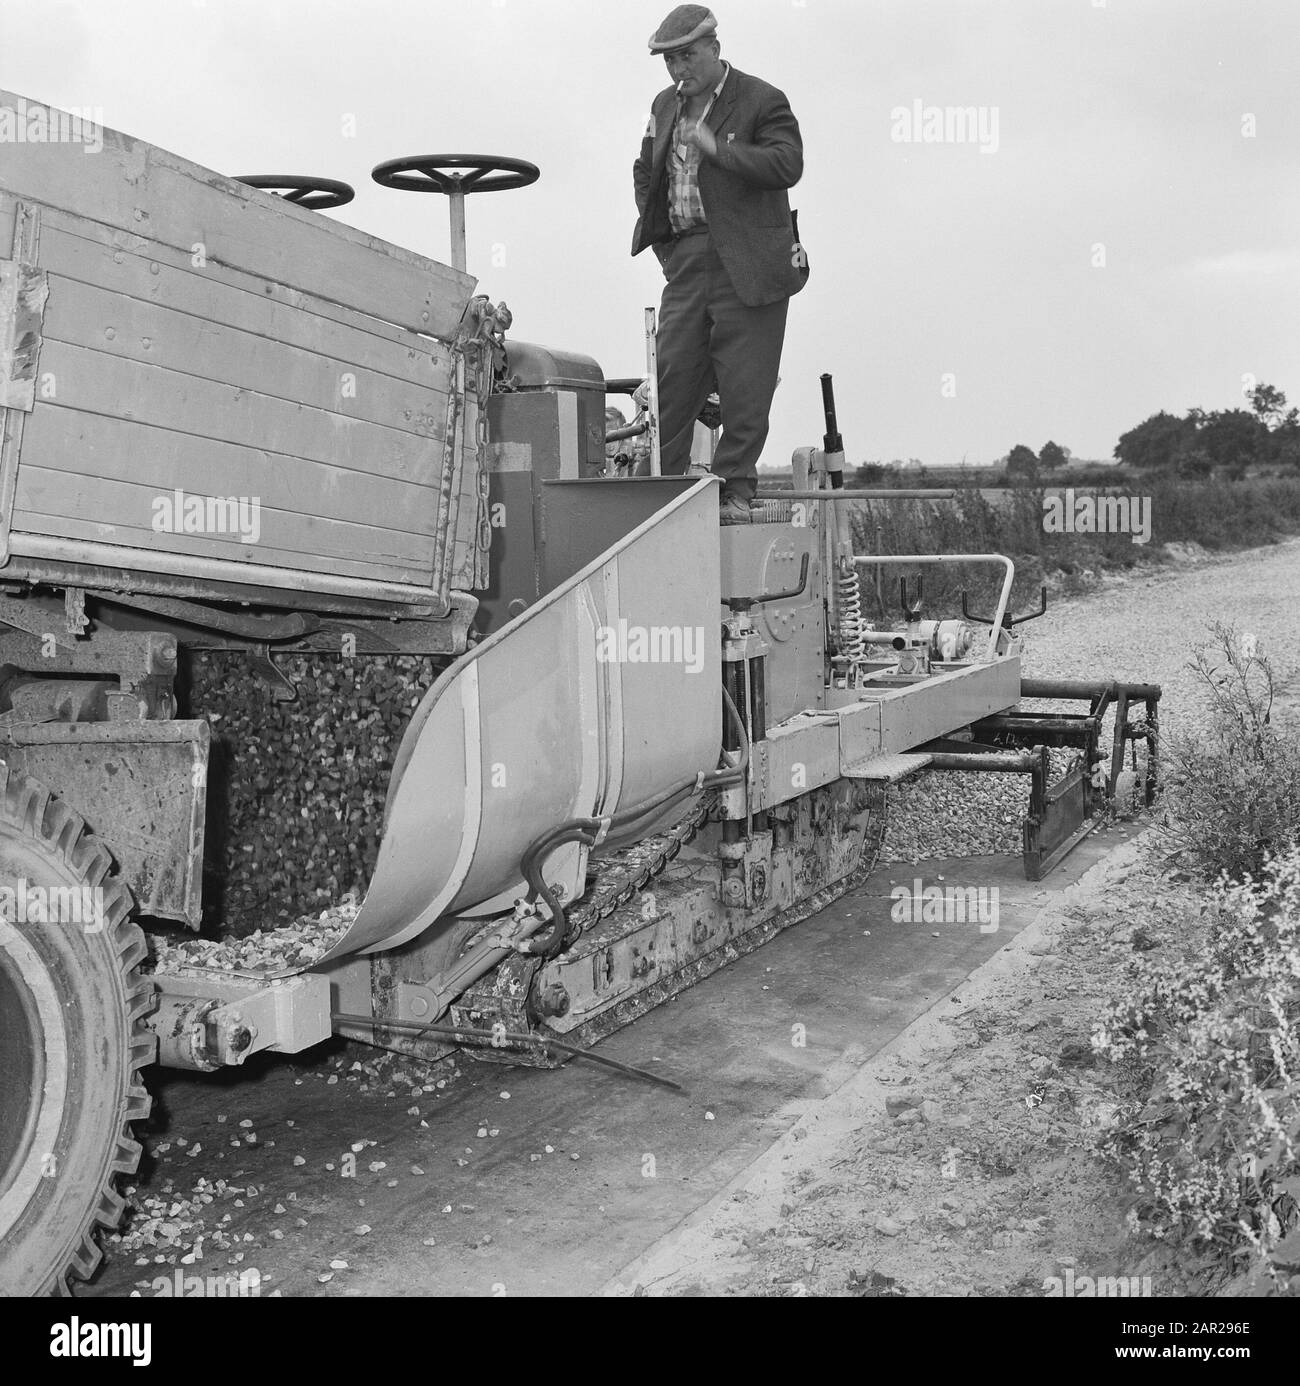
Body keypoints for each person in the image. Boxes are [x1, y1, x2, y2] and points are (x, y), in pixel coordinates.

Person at [632, 5, 806, 523]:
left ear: (714, 47)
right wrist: (669, 250)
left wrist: (717, 147)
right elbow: (646, 172)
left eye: (687, 55)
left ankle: (734, 492)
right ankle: (656, 495)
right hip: (686, 259)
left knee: (744, 385)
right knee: (673, 377)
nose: (679, 69)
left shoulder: (762, 99)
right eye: (669, 61)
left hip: (749, 263)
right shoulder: (664, 105)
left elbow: (787, 165)